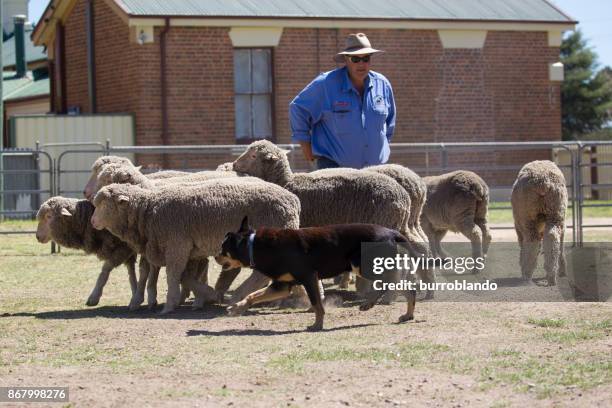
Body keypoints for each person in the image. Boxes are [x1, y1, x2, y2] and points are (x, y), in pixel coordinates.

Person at [290, 33, 396, 170]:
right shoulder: (325, 84)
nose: (361, 63)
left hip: (376, 172)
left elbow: (389, 124)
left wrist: (380, 150)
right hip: (335, 172)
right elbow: (297, 108)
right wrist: (306, 148)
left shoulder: (383, 85)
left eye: (366, 58)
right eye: (355, 59)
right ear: (346, 59)